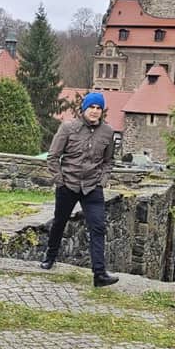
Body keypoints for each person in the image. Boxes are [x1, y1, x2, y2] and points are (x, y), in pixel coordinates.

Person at [41, 92, 118, 287]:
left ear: (102, 112)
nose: (94, 111)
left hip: (92, 187)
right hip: (69, 184)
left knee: (98, 227)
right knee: (59, 222)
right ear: (84, 109)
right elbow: (52, 156)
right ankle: (50, 257)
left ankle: (99, 274)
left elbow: (109, 161)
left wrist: (103, 179)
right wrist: (60, 180)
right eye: (91, 107)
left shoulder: (108, 132)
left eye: (98, 108)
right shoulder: (68, 128)